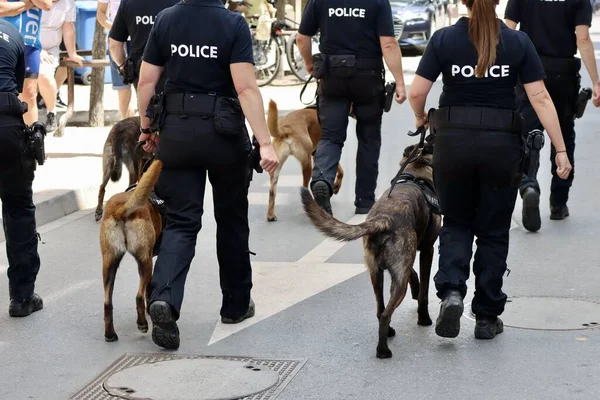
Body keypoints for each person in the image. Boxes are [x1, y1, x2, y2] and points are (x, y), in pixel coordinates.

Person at [408, 0, 572, 340]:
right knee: (494, 231)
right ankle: (486, 316)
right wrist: (560, 149)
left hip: (452, 146)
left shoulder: (443, 39)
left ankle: (452, 292)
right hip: (502, 148)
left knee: (456, 223)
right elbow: (539, 97)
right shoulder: (517, 42)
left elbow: (417, 91)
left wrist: (421, 118)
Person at [136, 0, 279, 350]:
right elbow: (245, 89)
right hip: (224, 137)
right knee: (231, 220)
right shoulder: (233, 24)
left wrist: (146, 127)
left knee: (181, 222)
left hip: (177, 135)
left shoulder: (166, 19)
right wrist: (265, 142)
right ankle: (235, 305)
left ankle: (164, 297)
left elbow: (146, 81)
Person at [296, 0, 407, 216]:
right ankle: (365, 201)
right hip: (368, 77)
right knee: (369, 138)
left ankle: (322, 180)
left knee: (330, 136)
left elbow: (302, 37)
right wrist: (399, 81)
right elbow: (389, 44)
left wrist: (309, 63)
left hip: (332, 76)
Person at [505, 0, 600, 232]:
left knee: (529, 135)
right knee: (564, 135)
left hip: (529, 70)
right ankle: (558, 203)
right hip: (563, 74)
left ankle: (529, 185)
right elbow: (583, 39)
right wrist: (596, 81)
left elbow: (507, 30)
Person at [0, 18, 43, 318]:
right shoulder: (12, 33)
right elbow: (20, 89)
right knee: (18, 209)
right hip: (7, 128)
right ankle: (22, 298)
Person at [108, 0, 179, 94]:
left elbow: (114, 45)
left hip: (142, 72)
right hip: (175, 73)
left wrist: (123, 67)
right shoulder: (180, 3)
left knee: (145, 108)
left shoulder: (128, 3)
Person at [1, 0, 52, 126]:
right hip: (7, 42)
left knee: (29, 94)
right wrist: (29, 4)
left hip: (31, 44)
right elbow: (2, 9)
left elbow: (46, 4)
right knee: (5, 91)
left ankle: (31, 141)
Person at [39, 0, 83, 132]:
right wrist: (37, 48)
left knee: (45, 75)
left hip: (52, 49)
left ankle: (51, 113)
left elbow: (68, 27)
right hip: (30, 46)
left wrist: (72, 54)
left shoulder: (68, 3)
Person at [97, 0, 135, 119]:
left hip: (140, 35)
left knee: (145, 84)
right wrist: (117, 29)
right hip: (118, 39)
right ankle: (126, 124)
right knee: (123, 86)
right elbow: (101, 14)